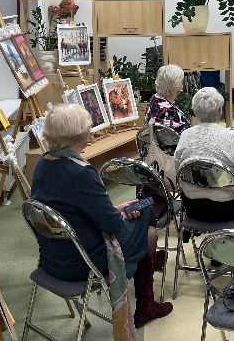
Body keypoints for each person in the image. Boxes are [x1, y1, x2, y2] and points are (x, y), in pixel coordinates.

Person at [30, 103, 173, 327]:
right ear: (79, 136)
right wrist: (117, 214)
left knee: (145, 226)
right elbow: (114, 227)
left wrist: (114, 210)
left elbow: (70, 210)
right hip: (84, 264)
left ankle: (148, 280)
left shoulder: (42, 164)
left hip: (53, 259)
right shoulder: (81, 172)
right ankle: (146, 303)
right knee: (148, 215)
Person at [174, 87, 234, 225]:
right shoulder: (233, 138)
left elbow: (178, 171)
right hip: (228, 209)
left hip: (193, 208)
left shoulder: (185, 136)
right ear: (220, 111)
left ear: (195, 111)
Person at [144, 64, 190, 138]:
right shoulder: (169, 112)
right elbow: (188, 139)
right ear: (176, 87)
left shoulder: (154, 99)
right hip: (174, 144)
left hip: (156, 144)